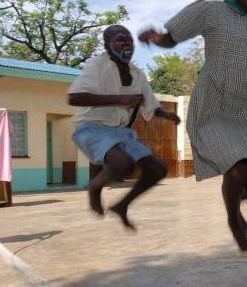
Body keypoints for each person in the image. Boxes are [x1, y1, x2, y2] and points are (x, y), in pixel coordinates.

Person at [139, 0, 247, 252]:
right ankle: (235, 220)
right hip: (215, 100)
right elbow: (173, 36)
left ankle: (234, 205)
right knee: (234, 165)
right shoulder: (213, 11)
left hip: (246, 105)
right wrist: (157, 39)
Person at [68, 25, 180, 230]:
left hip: (121, 133)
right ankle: (94, 187)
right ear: (107, 46)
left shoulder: (137, 74)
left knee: (158, 169)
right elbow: (74, 97)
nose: (127, 43)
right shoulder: (97, 65)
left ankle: (121, 205)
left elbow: (150, 103)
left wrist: (166, 114)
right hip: (92, 127)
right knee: (122, 163)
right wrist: (119, 99)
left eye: (129, 40)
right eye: (120, 39)